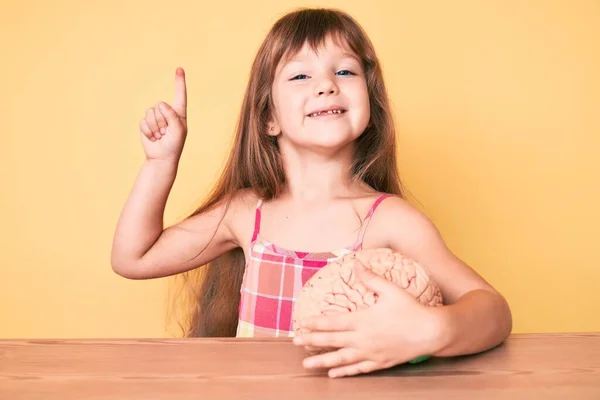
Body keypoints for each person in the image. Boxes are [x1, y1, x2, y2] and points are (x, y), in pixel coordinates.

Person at [111, 7, 512, 378]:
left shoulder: (389, 220)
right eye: (301, 76)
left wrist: (431, 330)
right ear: (269, 117)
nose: (326, 86)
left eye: (346, 72)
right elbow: (133, 258)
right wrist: (161, 163)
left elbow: (493, 311)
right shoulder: (246, 212)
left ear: (370, 105)